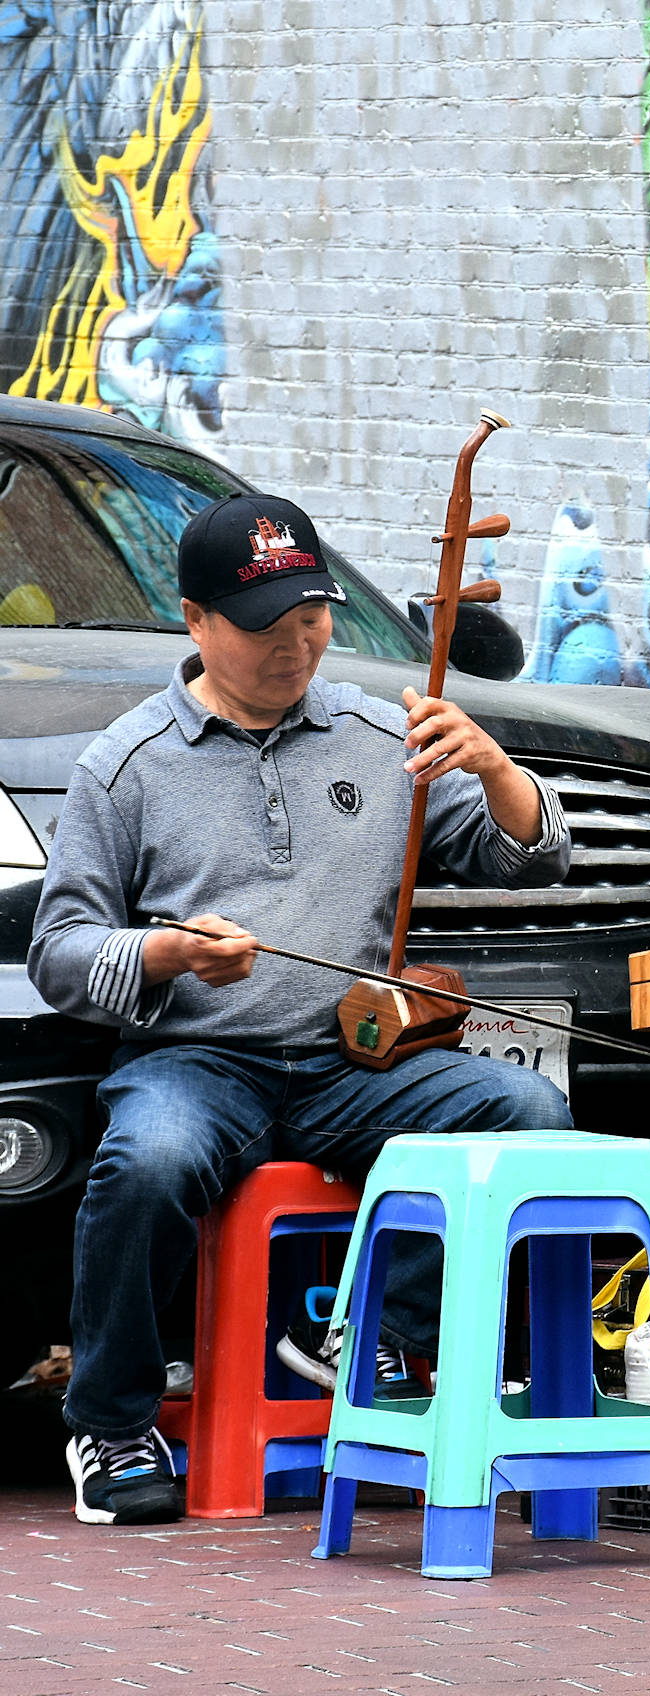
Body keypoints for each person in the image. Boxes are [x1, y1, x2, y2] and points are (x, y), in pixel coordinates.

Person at [27, 494, 575, 1527]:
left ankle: (375, 1338)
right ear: (196, 621)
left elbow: (527, 857)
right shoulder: (125, 765)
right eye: (265, 627)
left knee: (528, 1115)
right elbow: (59, 953)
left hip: (352, 1064)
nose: (297, 646)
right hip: (195, 1063)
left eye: (313, 619)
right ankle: (111, 1423)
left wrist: (495, 765)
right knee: (146, 1162)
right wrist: (165, 952)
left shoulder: (380, 735)